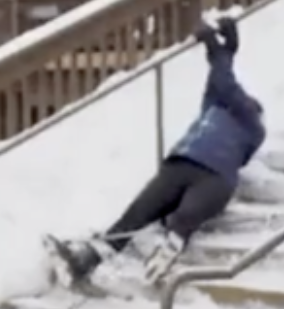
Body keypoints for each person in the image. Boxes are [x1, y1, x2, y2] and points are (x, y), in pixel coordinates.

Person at [51, 17, 266, 286]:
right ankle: (84, 262)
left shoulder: (253, 125)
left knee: (185, 217)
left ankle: (166, 253)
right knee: (134, 217)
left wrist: (216, 50)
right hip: (179, 164)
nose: (243, 99)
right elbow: (219, 83)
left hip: (215, 175)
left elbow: (226, 86)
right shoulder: (214, 108)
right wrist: (227, 52)